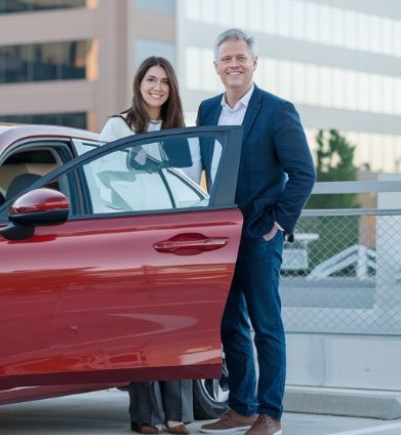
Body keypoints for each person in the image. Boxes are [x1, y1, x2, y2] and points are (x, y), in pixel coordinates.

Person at [197, 29, 315, 435]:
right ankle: (241, 406)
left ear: (253, 63)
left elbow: (303, 174)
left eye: (241, 57)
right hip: (220, 237)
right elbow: (201, 170)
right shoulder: (207, 110)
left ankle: (270, 413)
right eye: (226, 58)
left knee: (266, 326)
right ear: (216, 66)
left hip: (260, 235)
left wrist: (278, 224)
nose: (234, 63)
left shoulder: (277, 111)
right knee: (230, 325)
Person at [99, 56, 192, 435]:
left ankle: (177, 415)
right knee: (142, 326)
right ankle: (145, 417)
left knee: (178, 326)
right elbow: (100, 180)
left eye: (165, 82)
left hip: (174, 239)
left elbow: (189, 185)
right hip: (134, 238)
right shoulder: (118, 126)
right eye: (151, 79)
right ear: (139, 83)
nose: (157, 87)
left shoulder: (179, 132)